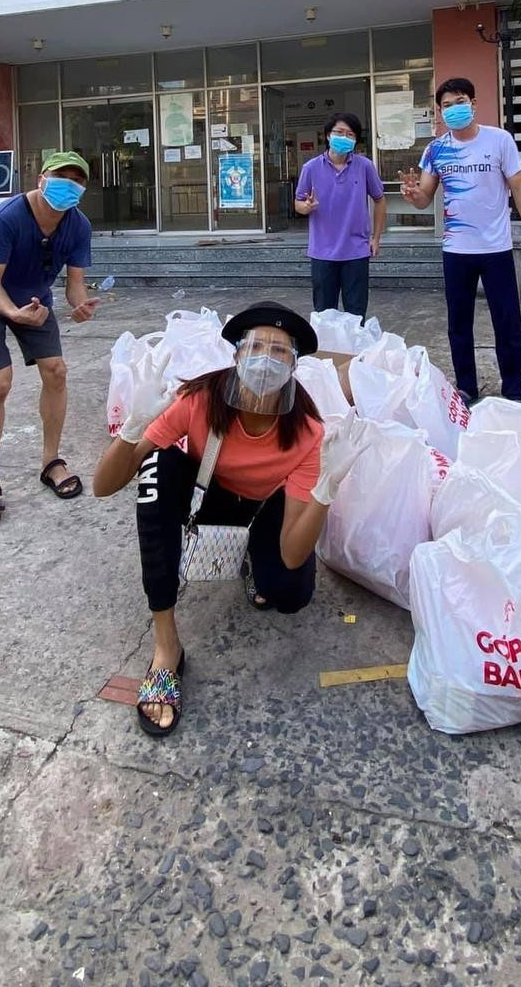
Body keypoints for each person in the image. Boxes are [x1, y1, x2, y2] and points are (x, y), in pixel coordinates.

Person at [92, 303, 367, 738]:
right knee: (157, 468)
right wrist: (132, 430)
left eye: (280, 351)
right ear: (236, 355)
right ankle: (166, 645)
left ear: (294, 366)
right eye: (256, 346)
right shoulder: (198, 400)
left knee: (289, 593)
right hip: (208, 495)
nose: (265, 359)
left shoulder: (308, 433)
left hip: (264, 510)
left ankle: (250, 561)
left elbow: (295, 555)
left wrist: (325, 491)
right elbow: (103, 486)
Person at [0, 150, 99, 529]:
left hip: (34, 302)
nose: (69, 184)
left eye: (77, 179)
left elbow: (75, 285)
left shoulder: (78, 225)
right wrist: (12, 314)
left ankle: (51, 460)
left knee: (56, 371)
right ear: (41, 179)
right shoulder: (7, 218)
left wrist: (82, 305)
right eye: (61, 175)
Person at [399, 78, 521, 404]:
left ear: (474, 104)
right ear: (439, 112)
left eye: (460, 101)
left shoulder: (499, 140)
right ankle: (466, 387)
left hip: (496, 249)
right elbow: (425, 197)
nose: (454, 109)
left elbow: (520, 188)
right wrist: (412, 194)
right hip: (457, 250)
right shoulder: (436, 149)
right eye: (446, 105)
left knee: (507, 322)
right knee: (458, 324)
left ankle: (513, 390)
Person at [294, 112, 386, 319]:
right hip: (322, 253)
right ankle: (329, 352)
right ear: (328, 135)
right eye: (339, 132)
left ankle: (355, 352)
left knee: (356, 315)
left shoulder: (364, 166)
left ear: (355, 140)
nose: (344, 138)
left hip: (356, 251)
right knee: (324, 316)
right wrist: (306, 207)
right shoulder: (310, 168)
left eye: (350, 134)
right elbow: (298, 204)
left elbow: (380, 199)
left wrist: (376, 238)